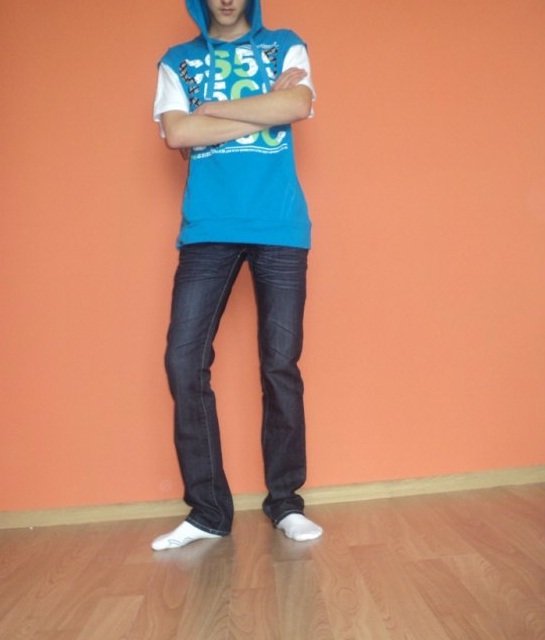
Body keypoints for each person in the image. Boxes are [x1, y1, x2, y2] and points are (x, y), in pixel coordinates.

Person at [151, 0, 322, 550]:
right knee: (184, 361)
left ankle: (285, 503)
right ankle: (208, 512)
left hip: (279, 222)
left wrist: (212, 113)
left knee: (279, 365)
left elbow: (297, 103)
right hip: (207, 226)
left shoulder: (284, 45)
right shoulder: (177, 60)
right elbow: (176, 134)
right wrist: (263, 107)